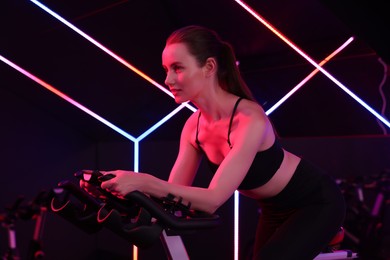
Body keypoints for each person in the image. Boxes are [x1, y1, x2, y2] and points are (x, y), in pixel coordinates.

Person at [81, 25, 346, 259]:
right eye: (166, 70)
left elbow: (212, 200)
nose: (168, 80)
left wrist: (140, 180)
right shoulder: (193, 127)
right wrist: (113, 186)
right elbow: (172, 195)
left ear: (209, 67)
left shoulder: (249, 119)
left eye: (177, 68)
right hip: (273, 210)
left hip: (315, 202)